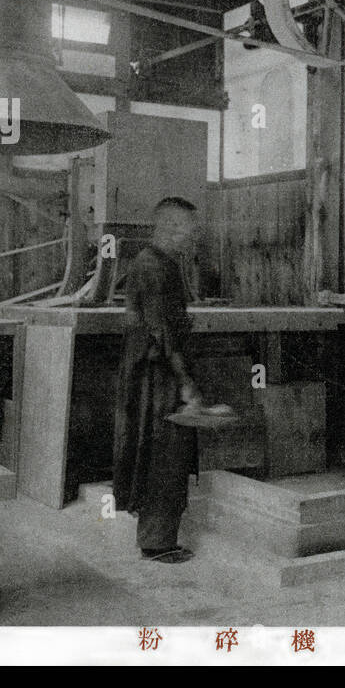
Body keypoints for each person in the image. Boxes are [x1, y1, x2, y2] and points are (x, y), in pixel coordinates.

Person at [112, 196, 224, 563]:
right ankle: (158, 543)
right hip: (158, 378)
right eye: (189, 228)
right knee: (165, 457)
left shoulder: (154, 263)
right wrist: (187, 383)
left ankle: (156, 537)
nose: (192, 236)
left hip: (152, 371)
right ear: (171, 226)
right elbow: (164, 332)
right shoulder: (156, 267)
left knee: (160, 455)